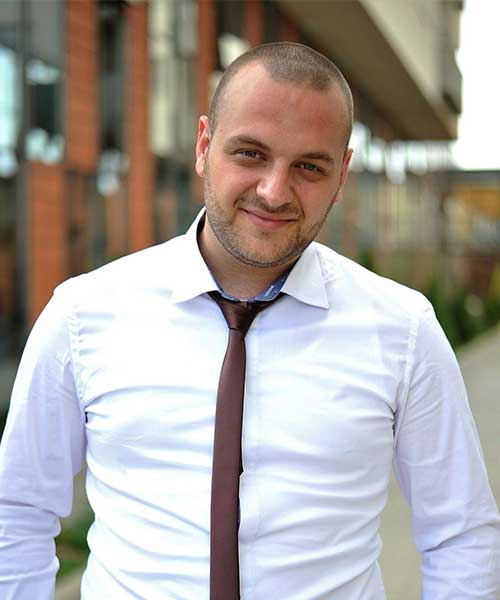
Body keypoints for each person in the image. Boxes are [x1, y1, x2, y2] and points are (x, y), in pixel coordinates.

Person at [0, 42, 499, 600]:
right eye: (250, 154)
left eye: (309, 167)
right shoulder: (82, 315)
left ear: (341, 177)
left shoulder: (404, 331)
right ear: (204, 146)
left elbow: (460, 533)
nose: (274, 191)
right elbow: (16, 515)